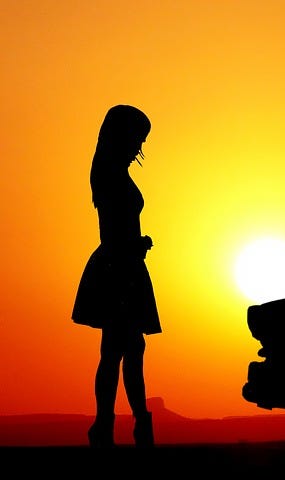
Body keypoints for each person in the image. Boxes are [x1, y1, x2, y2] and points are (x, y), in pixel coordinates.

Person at [71, 104, 160, 448]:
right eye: (138, 137)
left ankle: (115, 426)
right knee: (124, 347)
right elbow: (112, 225)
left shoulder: (112, 170)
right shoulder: (108, 172)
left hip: (124, 264)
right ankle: (125, 426)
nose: (140, 145)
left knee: (121, 348)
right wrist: (134, 244)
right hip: (118, 265)